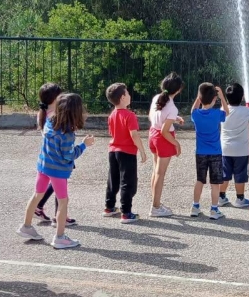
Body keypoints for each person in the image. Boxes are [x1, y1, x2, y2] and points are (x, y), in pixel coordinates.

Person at [17, 93, 95, 249]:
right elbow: (69, 156)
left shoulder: (49, 123)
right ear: (76, 111)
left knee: (37, 195)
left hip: (43, 166)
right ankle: (60, 237)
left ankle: (26, 226)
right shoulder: (67, 133)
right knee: (63, 201)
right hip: (58, 171)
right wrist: (84, 145)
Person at [104, 83, 147, 224]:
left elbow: (112, 133)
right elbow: (134, 135)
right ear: (123, 97)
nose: (129, 95)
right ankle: (126, 212)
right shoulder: (130, 115)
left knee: (113, 180)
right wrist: (142, 150)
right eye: (127, 93)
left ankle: (109, 207)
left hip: (113, 151)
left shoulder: (112, 115)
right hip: (127, 152)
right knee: (128, 183)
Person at [34, 83, 76, 226]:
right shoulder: (54, 115)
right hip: (59, 157)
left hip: (50, 156)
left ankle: (40, 207)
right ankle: (60, 217)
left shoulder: (44, 112)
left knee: (56, 183)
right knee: (60, 185)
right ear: (54, 98)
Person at [148, 72, 185, 217]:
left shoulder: (157, 98)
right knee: (160, 174)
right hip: (163, 139)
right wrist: (177, 143)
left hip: (153, 135)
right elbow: (165, 131)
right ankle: (156, 207)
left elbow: (153, 117)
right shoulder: (172, 107)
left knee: (155, 171)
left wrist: (174, 119)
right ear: (178, 90)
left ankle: (155, 202)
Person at [190, 83, 229, 220]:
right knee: (215, 183)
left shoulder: (196, 115)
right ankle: (214, 209)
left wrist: (198, 97)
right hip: (215, 153)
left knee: (200, 180)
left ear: (200, 99)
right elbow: (227, 112)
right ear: (214, 99)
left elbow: (193, 109)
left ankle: (195, 206)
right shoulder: (216, 114)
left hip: (200, 152)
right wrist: (222, 96)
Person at [219, 83, 249, 208]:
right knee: (240, 174)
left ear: (227, 98)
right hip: (241, 151)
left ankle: (221, 197)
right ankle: (240, 199)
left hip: (225, 149)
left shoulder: (223, 110)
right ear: (242, 97)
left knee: (225, 174)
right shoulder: (246, 111)